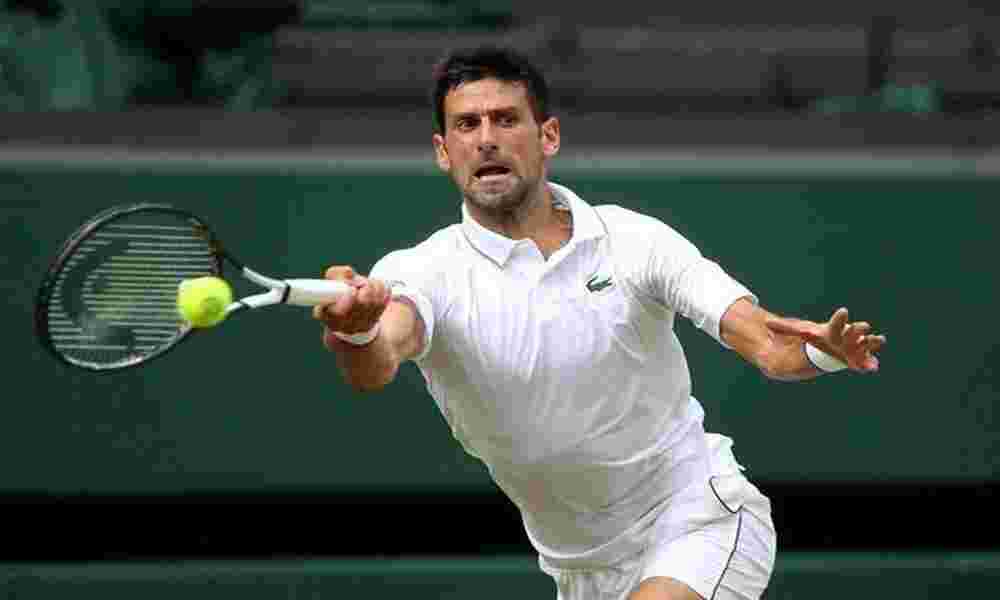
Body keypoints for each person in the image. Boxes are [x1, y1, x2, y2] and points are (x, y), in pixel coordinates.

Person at [312, 46, 885, 600]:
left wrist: (822, 351)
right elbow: (377, 361)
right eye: (467, 125)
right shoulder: (420, 272)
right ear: (443, 150)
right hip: (580, 570)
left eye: (506, 119)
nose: (486, 138)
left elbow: (768, 346)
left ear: (548, 136)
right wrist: (356, 330)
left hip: (699, 518)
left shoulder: (636, 241)